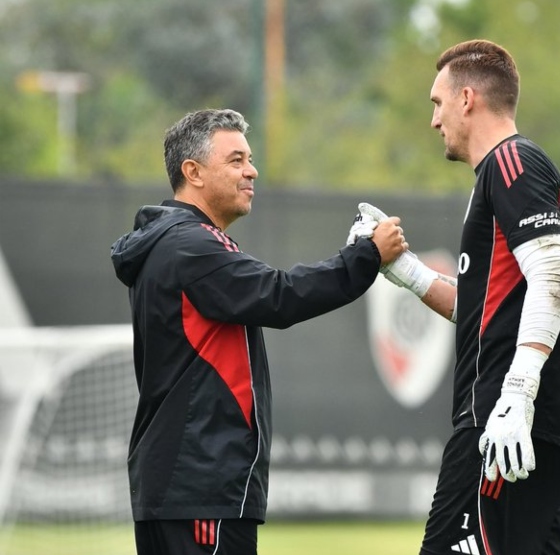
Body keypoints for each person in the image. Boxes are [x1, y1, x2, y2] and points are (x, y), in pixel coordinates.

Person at [109, 108, 406, 555]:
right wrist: (366, 255)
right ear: (193, 172)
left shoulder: (175, 243)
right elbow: (281, 295)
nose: (253, 171)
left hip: (185, 483)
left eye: (249, 158)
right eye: (236, 160)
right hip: (200, 483)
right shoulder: (191, 245)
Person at [360, 39, 560, 555]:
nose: (434, 120)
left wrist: (516, 395)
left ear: (466, 99)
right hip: (528, 425)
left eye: (437, 104)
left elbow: (553, 276)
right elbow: (484, 309)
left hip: (502, 423)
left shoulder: (511, 161)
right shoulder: (507, 173)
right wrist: (408, 272)